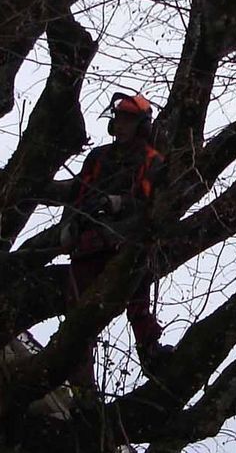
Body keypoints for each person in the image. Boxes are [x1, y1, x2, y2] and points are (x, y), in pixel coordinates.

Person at [60, 90, 169, 380]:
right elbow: (78, 196)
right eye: (118, 119)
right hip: (90, 243)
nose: (119, 126)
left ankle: (150, 352)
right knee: (79, 314)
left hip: (127, 241)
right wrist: (69, 226)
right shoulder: (98, 158)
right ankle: (81, 383)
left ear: (141, 126)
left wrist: (119, 202)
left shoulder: (151, 161)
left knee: (137, 301)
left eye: (127, 120)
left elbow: (153, 206)